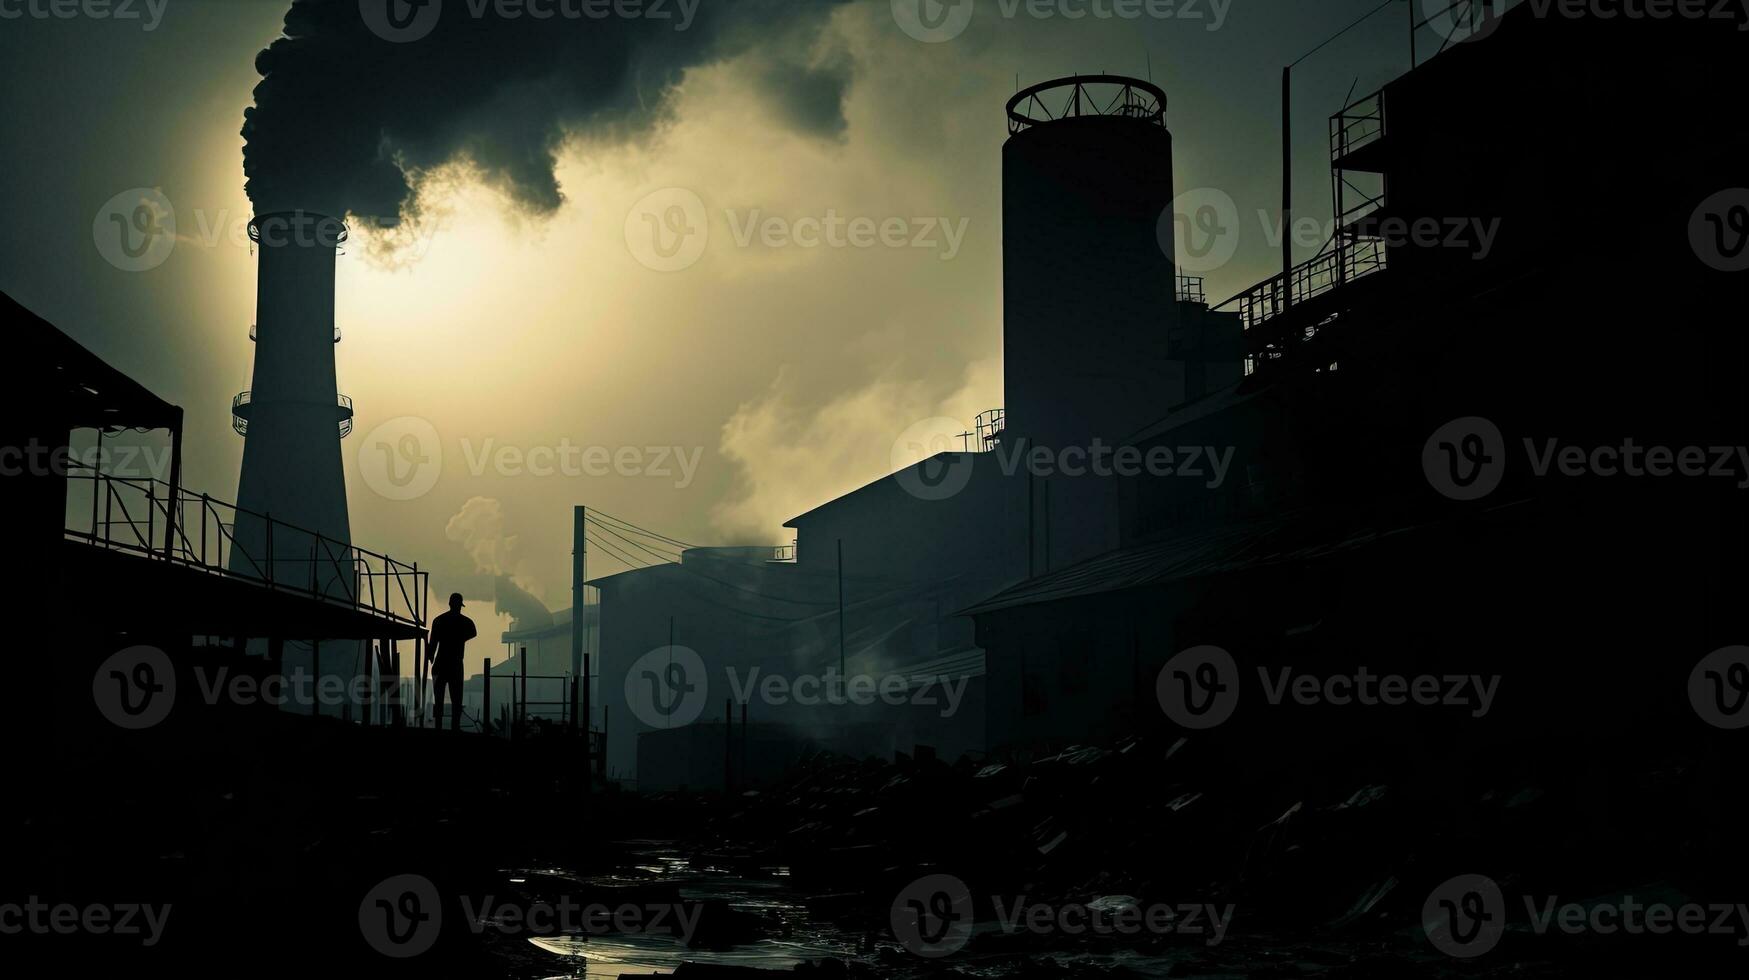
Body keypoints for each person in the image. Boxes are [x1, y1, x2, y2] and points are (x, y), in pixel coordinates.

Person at [427, 592, 477, 731]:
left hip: (441, 664)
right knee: (456, 699)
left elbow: (433, 644)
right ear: (459, 605)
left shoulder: (439, 620)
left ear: (449, 604)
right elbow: (473, 632)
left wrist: (430, 656)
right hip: (455, 665)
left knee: (440, 698)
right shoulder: (465, 622)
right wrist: (460, 638)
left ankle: (439, 727)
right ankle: (455, 728)